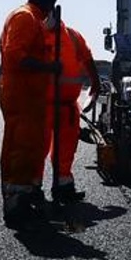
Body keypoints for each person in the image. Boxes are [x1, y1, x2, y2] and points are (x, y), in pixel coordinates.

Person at [0, 0, 63, 229]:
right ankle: (16, 203)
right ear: (48, 2)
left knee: (30, 145)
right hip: (21, 94)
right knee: (21, 146)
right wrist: (50, 67)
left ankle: (25, 194)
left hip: (29, 95)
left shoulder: (32, 19)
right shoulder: (25, 18)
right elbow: (16, 56)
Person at [42, 16, 102, 204]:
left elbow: (87, 58)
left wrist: (95, 84)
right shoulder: (35, 34)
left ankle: (64, 187)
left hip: (67, 104)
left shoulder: (73, 36)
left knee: (66, 150)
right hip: (40, 105)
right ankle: (31, 190)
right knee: (36, 150)